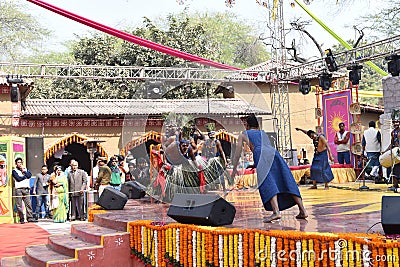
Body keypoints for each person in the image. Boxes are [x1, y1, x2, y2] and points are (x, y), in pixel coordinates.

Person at [231, 115, 307, 223]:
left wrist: (234, 169)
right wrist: (255, 164)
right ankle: (303, 210)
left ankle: (276, 212)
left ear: (247, 125)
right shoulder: (263, 133)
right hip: (273, 153)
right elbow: (265, 147)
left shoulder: (244, 134)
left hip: (260, 154)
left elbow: (238, 153)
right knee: (286, 179)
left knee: (268, 181)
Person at [12, 157, 36, 223]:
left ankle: (30, 217)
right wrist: (25, 176)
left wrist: (24, 171)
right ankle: (21, 218)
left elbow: (29, 175)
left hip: (26, 189)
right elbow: (18, 179)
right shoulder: (14, 171)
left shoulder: (25, 169)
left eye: (21, 162)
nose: (20, 164)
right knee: (19, 205)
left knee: (28, 204)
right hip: (18, 189)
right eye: (18, 162)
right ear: (16, 164)